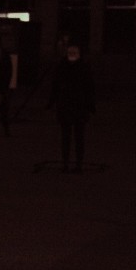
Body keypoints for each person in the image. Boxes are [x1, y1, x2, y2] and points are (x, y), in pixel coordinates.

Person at [47, 44, 95, 173]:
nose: (72, 54)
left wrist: (90, 106)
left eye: (74, 51)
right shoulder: (62, 67)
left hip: (79, 106)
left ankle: (78, 164)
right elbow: (55, 86)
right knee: (66, 137)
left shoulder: (84, 68)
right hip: (66, 106)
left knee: (79, 137)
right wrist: (51, 102)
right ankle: (65, 163)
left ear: (79, 53)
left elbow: (89, 88)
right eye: (70, 52)